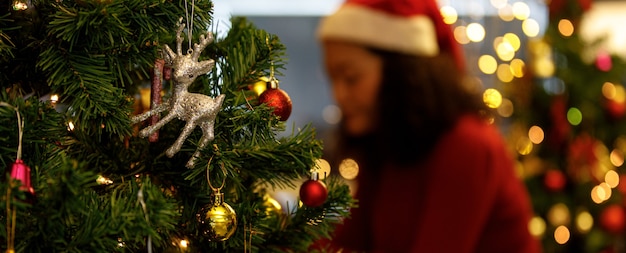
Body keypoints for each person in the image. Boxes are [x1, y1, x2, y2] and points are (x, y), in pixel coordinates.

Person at [316, 0, 542, 252]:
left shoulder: (467, 145)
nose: (338, 95)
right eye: (332, 79)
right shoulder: (390, 144)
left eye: (351, 78)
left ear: (401, 71)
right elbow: (348, 243)